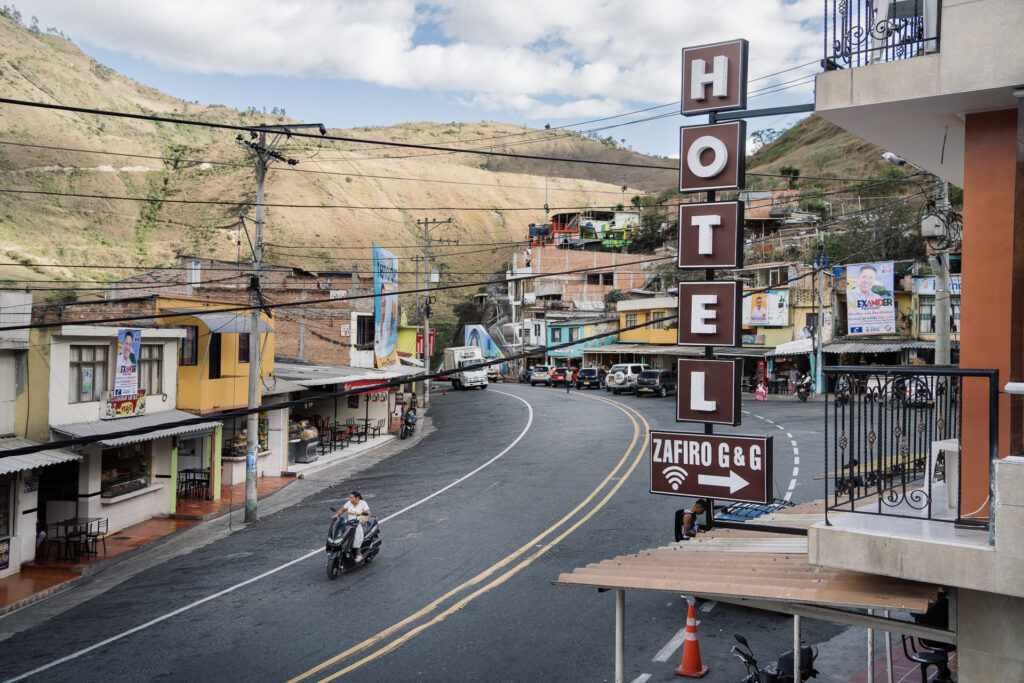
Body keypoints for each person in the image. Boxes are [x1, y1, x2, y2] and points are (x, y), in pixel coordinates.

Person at [332, 491, 370, 562]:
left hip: (359, 523)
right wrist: (336, 515)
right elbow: (342, 510)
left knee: (356, 537)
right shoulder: (349, 503)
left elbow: (368, 513)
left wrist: (365, 519)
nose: (350, 499)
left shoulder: (362, 503)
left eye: (352, 498)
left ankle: (359, 554)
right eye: (350, 498)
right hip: (350, 523)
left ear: (357, 498)